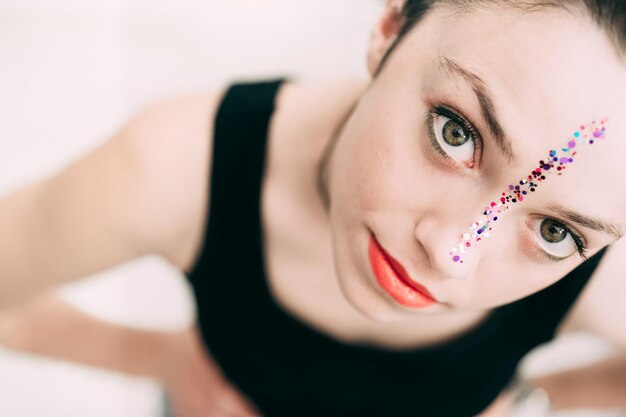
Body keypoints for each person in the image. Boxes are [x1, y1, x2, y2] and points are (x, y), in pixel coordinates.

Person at [1, 0, 625, 416]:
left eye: (553, 230)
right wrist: (155, 356)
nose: (452, 253)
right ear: (392, 24)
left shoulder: (597, 285)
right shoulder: (174, 168)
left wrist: (533, 400)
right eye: (456, 133)